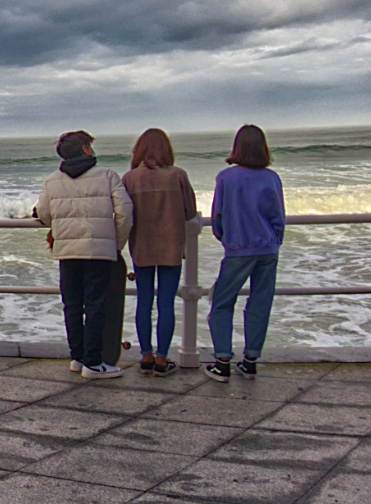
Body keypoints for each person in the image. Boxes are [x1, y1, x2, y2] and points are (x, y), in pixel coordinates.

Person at [36, 130, 133, 379]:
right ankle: (94, 362)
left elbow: (45, 215)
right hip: (99, 252)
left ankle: (78, 358)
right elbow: (125, 214)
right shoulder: (108, 176)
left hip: (68, 251)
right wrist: (115, 245)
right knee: (95, 305)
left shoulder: (51, 180)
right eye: (90, 145)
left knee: (72, 305)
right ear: (85, 149)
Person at [205, 124, 286, 383]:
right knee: (260, 302)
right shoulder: (271, 177)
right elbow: (278, 216)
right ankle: (250, 360)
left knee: (221, 302)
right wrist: (275, 240)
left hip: (239, 248)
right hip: (268, 247)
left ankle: (222, 360)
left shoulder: (226, 178)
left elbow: (218, 215)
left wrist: (223, 236)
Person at [125, 128, 198, 377]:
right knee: (166, 302)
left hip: (141, 246)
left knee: (144, 302)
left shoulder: (130, 178)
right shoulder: (177, 175)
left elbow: (124, 215)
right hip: (170, 245)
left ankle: (145, 355)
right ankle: (162, 358)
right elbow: (190, 212)